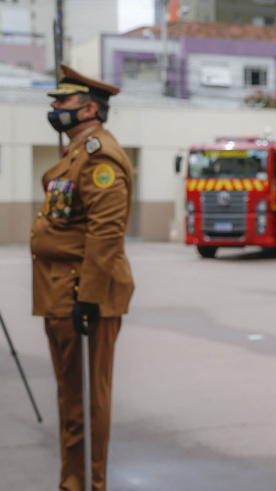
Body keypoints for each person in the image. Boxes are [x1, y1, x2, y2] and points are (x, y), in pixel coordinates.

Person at [31, 63, 134, 490]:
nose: (55, 107)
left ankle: (90, 483)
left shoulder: (99, 156)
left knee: (85, 403)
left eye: (63, 101)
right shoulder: (76, 152)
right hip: (60, 292)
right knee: (70, 399)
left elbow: (106, 233)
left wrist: (87, 299)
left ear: (90, 108)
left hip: (81, 294)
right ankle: (72, 482)